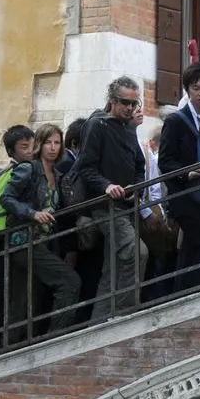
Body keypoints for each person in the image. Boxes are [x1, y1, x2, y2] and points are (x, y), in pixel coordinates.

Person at [68, 75, 146, 322]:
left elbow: (139, 166)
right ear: (112, 100)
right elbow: (85, 167)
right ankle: (124, 313)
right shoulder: (97, 125)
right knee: (137, 252)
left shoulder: (128, 128)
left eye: (134, 103)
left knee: (111, 270)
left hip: (126, 205)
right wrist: (107, 186)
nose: (130, 108)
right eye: (125, 102)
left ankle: (99, 324)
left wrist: (137, 187)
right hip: (104, 206)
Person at [1, 123, 82, 333]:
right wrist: (32, 213)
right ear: (40, 145)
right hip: (23, 240)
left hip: (42, 243)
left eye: (57, 143)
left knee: (25, 302)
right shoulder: (29, 168)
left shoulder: (58, 174)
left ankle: (14, 350)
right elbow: (6, 198)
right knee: (70, 281)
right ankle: (55, 339)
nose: (53, 147)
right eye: (48, 142)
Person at [160, 61, 200, 291]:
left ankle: (180, 293)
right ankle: (194, 294)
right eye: (196, 88)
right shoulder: (175, 121)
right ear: (187, 90)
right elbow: (165, 161)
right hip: (185, 195)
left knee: (192, 249)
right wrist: (187, 173)